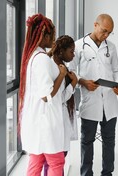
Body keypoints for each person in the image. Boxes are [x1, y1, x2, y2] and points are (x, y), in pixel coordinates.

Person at [69, 14, 118, 176]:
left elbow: (116, 71)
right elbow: (71, 72)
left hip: (109, 101)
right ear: (95, 25)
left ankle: (107, 173)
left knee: (109, 142)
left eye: (109, 33)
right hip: (90, 101)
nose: (106, 35)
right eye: (104, 31)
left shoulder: (111, 47)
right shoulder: (79, 45)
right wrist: (83, 82)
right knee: (87, 141)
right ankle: (86, 173)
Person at [18, 13, 67, 176]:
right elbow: (47, 95)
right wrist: (61, 74)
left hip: (36, 119)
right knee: (56, 161)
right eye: (51, 35)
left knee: (36, 161)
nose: (54, 39)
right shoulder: (42, 60)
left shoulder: (33, 57)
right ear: (44, 35)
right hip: (45, 121)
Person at [44, 35, 78, 176]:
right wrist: (73, 83)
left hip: (59, 117)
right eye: (71, 51)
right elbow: (59, 98)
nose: (73, 54)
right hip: (56, 118)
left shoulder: (60, 66)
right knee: (55, 160)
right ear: (61, 51)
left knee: (56, 159)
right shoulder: (56, 69)